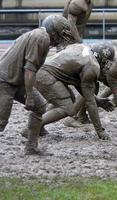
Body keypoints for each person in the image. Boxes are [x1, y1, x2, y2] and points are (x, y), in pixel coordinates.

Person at [0, 15, 75, 155]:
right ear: (54, 31)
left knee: (40, 105)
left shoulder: (40, 36)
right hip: (5, 81)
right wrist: (29, 95)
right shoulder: (42, 38)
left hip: (14, 80)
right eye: (62, 33)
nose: (62, 37)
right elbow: (29, 69)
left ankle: (31, 147)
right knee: (1, 121)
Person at [35, 42, 111, 140]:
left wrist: (97, 100)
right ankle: (32, 128)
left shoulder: (82, 49)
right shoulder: (92, 66)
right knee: (68, 108)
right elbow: (90, 102)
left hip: (43, 71)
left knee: (68, 100)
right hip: (45, 75)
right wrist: (100, 130)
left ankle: (38, 126)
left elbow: (79, 85)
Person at [71, 42, 117, 126]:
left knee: (93, 87)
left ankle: (81, 116)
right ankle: (72, 117)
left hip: (82, 63)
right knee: (90, 88)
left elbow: (108, 81)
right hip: (81, 66)